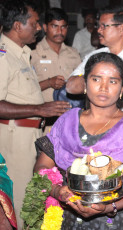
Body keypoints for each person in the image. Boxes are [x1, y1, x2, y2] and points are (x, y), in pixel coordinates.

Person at [34, 52, 123, 229]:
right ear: (85, 84)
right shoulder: (67, 120)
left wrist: (108, 207)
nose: (104, 87)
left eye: (113, 81)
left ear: (121, 90)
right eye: (96, 79)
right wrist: (57, 191)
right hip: (66, 214)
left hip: (114, 218)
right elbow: (42, 166)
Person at [0, 1, 71, 227]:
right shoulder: (3, 57)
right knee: (19, 196)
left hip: (30, 134)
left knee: (32, 195)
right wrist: (39, 109)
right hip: (14, 136)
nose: (39, 28)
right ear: (18, 26)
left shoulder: (21, 54)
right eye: (34, 23)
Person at [31, 8, 81, 131]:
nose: (59, 31)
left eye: (63, 27)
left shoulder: (74, 54)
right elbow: (24, 89)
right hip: (41, 122)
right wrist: (49, 83)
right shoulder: (33, 53)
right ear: (45, 27)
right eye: (55, 26)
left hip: (69, 122)